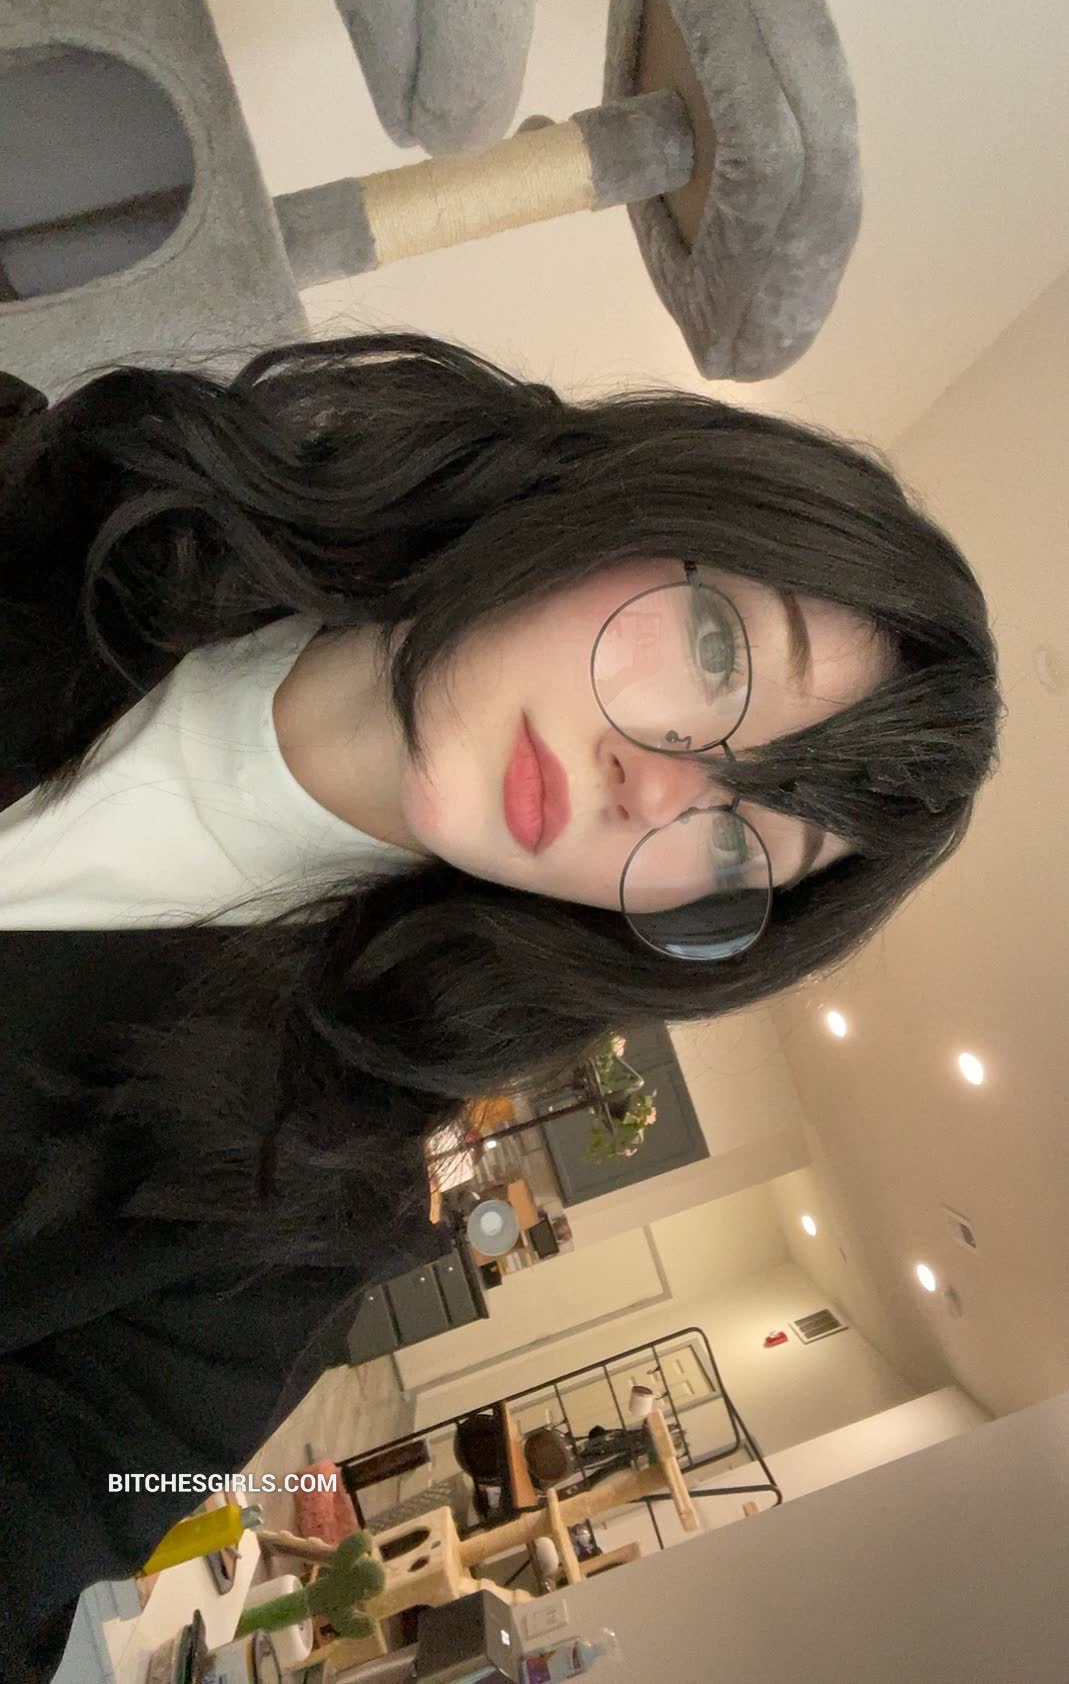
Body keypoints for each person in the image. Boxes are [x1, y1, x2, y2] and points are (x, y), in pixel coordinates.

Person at [0, 331, 1002, 1680]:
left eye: (736, 846)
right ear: (632, 502)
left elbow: (68, 1501)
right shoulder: (78, 494)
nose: (659, 789)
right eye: (716, 652)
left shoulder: (294, 1217)